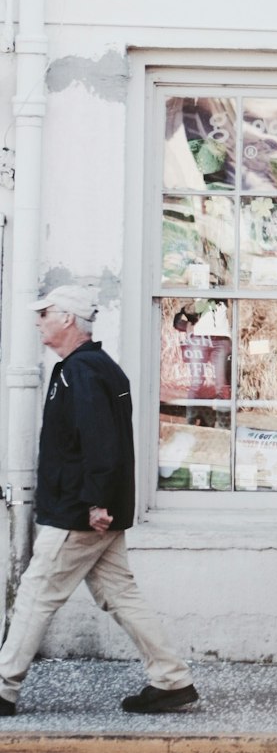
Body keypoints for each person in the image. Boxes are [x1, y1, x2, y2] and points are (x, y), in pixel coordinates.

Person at [0, 286, 198, 716]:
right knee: (120, 595)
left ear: (68, 319)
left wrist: (95, 503)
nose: (39, 322)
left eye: (45, 314)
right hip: (93, 509)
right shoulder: (96, 368)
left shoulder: (82, 372)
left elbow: (100, 442)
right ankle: (172, 679)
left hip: (79, 513)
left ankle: (3, 687)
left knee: (36, 592)